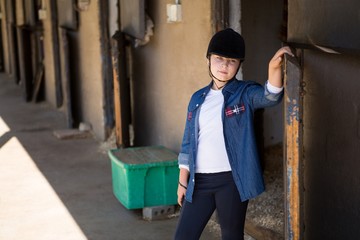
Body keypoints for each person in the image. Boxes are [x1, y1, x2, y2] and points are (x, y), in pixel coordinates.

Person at [174, 28, 293, 240]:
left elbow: (270, 96)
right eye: (219, 58)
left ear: (239, 65)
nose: (224, 66)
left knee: (231, 235)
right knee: (184, 236)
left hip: (231, 181)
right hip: (198, 182)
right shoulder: (197, 98)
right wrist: (183, 182)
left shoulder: (244, 93)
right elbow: (187, 142)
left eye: (231, 61)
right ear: (208, 59)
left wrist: (273, 67)